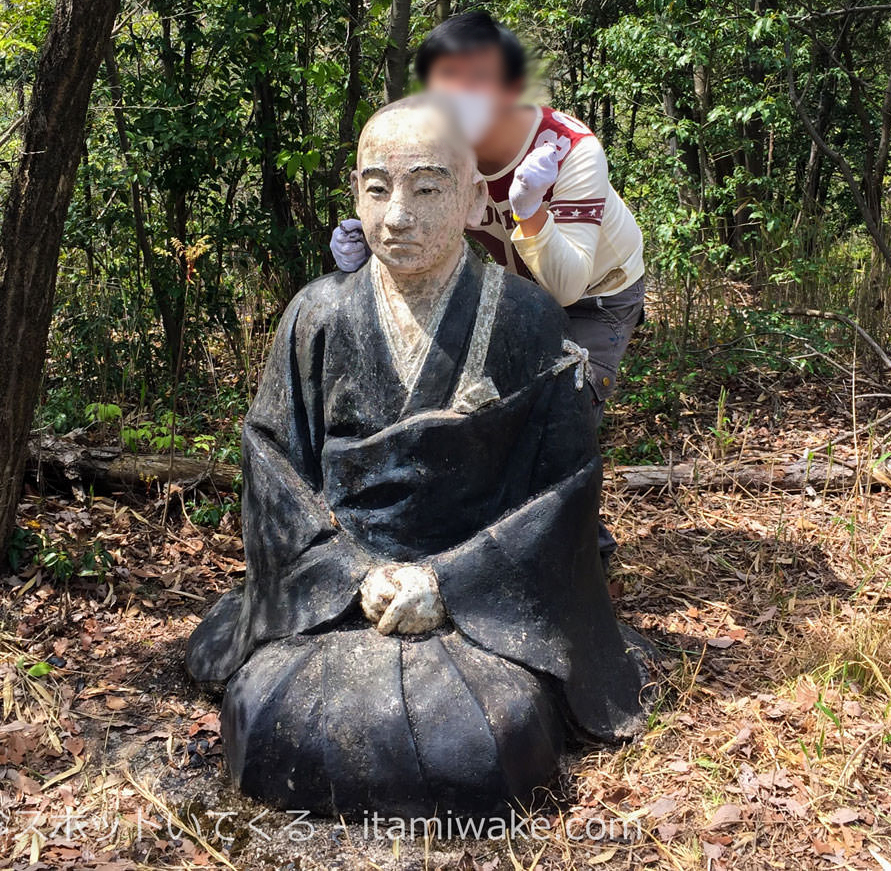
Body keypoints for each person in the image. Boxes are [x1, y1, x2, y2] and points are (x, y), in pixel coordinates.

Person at [186, 95, 645, 817]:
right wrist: (353, 571)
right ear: (355, 194)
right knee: (265, 712)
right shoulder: (318, 314)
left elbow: (564, 490)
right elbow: (273, 466)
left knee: (492, 733)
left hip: (477, 602)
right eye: (377, 188)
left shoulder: (528, 319)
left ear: (471, 197)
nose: (397, 215)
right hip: (338, 593)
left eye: (427, 187)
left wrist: (448, 583)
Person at [332, 12, 645, 422]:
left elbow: (568, 288)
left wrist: (529, 210)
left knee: (567, 408)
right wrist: (372, 257)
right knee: (484, 399)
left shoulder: (571, 150)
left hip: (597, 290)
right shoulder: (444, 149)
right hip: (510, 285)